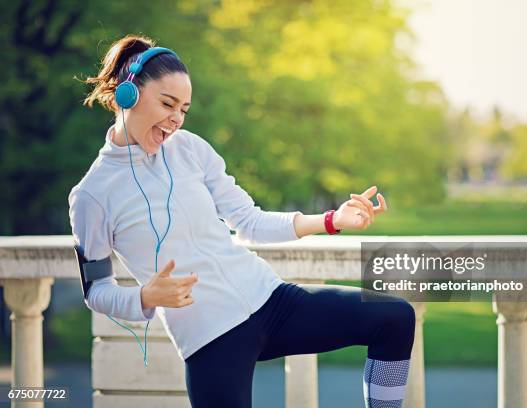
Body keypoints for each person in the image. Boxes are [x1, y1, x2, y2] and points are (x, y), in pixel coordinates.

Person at [68, 34, 416, 408]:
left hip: (271, 300)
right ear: (128, 95)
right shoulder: (92, 195)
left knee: (395, 318)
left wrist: (333, 220)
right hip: (211, 336)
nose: (176, 120)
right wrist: (145, 297)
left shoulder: (190, 149)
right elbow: (97, 291)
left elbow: (249, 220)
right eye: (167, 104)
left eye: (183, 109)